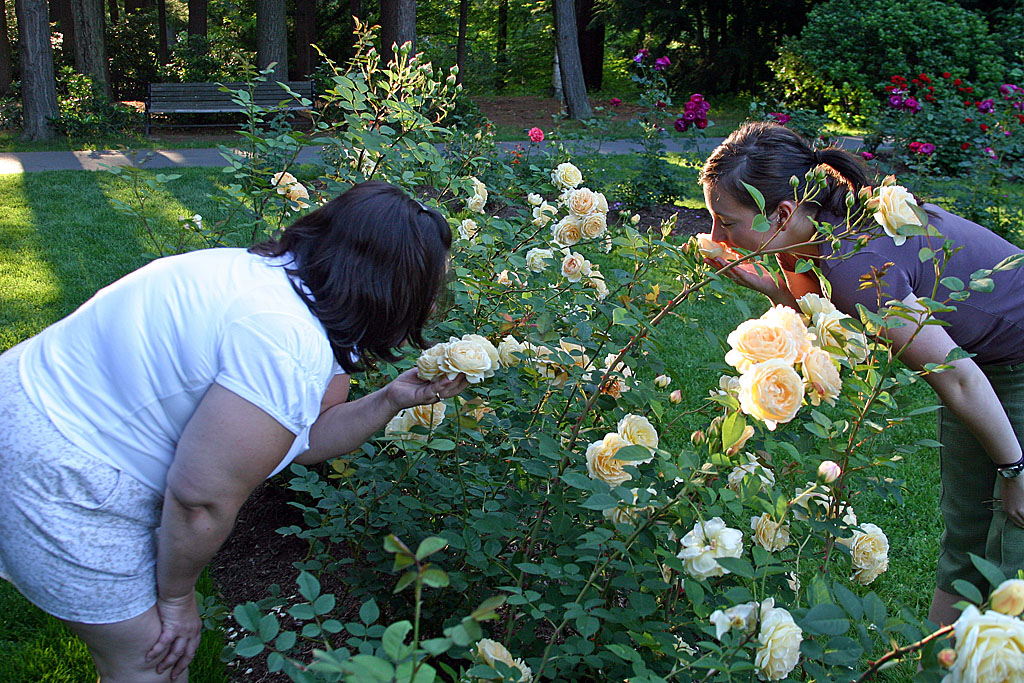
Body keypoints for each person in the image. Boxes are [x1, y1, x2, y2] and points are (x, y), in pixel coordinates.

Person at [0, 180, 469, 681]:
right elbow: (201, 499)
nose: (431, 305)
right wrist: (177, 597)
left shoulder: (259, 274)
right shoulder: (283, 342)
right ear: (389, 290)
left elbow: (303, 437)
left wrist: (390, 399)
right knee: (150, 663)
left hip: (24, 400)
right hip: (58, 471)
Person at [698, 121, 1024, 626]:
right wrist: (770, 290)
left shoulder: (857, 263)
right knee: (967, 535)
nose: (716, 235)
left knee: (1014, 546)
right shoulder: (807, 232)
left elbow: (956, 378)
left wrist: (1015, 471)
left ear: (782, 212)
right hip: (984, 364)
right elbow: (815, 317)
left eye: (726, 221)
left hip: (1011, 363)